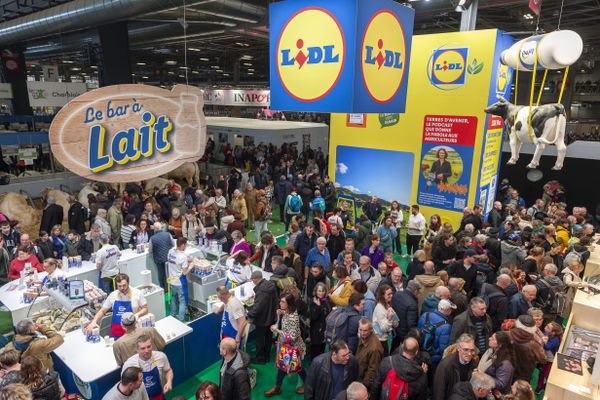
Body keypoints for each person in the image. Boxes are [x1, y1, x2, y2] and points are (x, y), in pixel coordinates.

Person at [265, 293, 306, 396]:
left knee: (299, 368)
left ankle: (309, 385)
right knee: (282, 366)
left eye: (283, 302)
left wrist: (277, 330)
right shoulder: (289, 311)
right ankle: (277, 387)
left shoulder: (293, 317)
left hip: (292, 347)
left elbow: (292, 337)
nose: (280, 303)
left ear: (289, 303)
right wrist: (282, 313)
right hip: (286, 346)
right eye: (280, 301)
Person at [85, 273, 148, 338]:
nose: (122, 288)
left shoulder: (137, 293)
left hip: (132, 329)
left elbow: (145, 308)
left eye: (124, 285)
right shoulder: (113, 295)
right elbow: (102, 311)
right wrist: (94, 322)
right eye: (119, 286)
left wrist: (137, 314)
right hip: (117, 330)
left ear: (128, 283)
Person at [122, 335, 174, 400]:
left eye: (149, 347)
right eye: (143, 348)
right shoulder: (129, 364)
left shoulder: (161, 356)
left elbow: (168, 370)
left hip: (158, 394)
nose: (147, 350)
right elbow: (124, 384)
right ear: (137, 349)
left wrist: (169, 382)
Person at [433, 333, 477, 400]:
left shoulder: (474, 364)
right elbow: (439, 391)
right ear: (458, 348)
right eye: (466, 350)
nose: (469, 354)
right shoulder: (445, 365)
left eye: (472, 350)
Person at [246, 270, 278, 364]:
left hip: (262, 319)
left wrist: (249, 314)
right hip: (271, 317)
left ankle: (260, 358)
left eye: (253, 280)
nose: (252, 282)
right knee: (268, 337)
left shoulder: (262, 290)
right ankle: (266, 355)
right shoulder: (270, 285)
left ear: (256, 279)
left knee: (259, 339)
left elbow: (258, 308)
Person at [508, 315, 546, 382]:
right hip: (524, 375)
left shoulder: (508, 334)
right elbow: (542, 359)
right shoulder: (534, 345)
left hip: (508, 371)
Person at [418, 299, 454, 367]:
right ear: (447, 310)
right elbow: (443, 348)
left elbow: (418, 332)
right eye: (450, 309)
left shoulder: (425, 315)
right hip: (433, 358)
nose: (451, 311)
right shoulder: (446, 326)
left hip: (420, 352)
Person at [391, 280, 422, 351]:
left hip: (395, 328)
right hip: (404, 333)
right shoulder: (412, 304)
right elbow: (411, 324)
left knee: (394, 347)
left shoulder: (397, 294)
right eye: (418, 291)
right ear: (415, 290)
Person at [167, 237, 193, 321]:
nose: (185, 247)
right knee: (182, 302)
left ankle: (173, 315)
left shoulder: (170, 251)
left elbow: (175, 260)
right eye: (185, 245)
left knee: (173, 298)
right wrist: (191, 266)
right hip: (179, 282)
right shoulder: (183, 256)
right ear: (182, 245)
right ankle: (181, 320)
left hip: (171, 280)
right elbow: (185, 272)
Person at [355, 318, 384, 390]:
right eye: (360, 330)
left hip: (364, 381)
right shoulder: (364, 337)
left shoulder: (375, 348)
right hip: (359, 374)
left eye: (365, 330)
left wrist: (364, 385)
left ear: (370, 330)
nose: (362, 333)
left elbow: (372, 370)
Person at [535, 322, 562, 394]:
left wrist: (543, 340)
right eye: (547, 325)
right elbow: (543, 335)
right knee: (541, 373)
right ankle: (539, 387)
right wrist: (538, 331)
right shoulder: (548, 333)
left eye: (548, 327)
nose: (546, 327)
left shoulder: (555, 340)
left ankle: (547, 385)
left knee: (547, 374)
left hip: (550, 360)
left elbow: (547, 347)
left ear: (553, 332)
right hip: (545, 358)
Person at [372, 284, 398, 356]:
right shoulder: (379, 308)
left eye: (391, 293)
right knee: (384, 360)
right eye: (388, 294)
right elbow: (383, 328)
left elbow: (396, 323)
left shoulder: (387, 305)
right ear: (382, 295)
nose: (391, 296)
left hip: (386, 338)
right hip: (380, 340)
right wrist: (389, 319)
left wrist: (394, 320)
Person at [149, 222, 174, 289]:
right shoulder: (168, 234)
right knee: (169, 273)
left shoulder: (152, 238)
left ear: (154, 229)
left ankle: (162, 288)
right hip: (168, 257)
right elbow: (173, 244)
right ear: (161, 228)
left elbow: (150, 250)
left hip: (158, 259)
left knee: (161, 273)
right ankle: (169, 287)